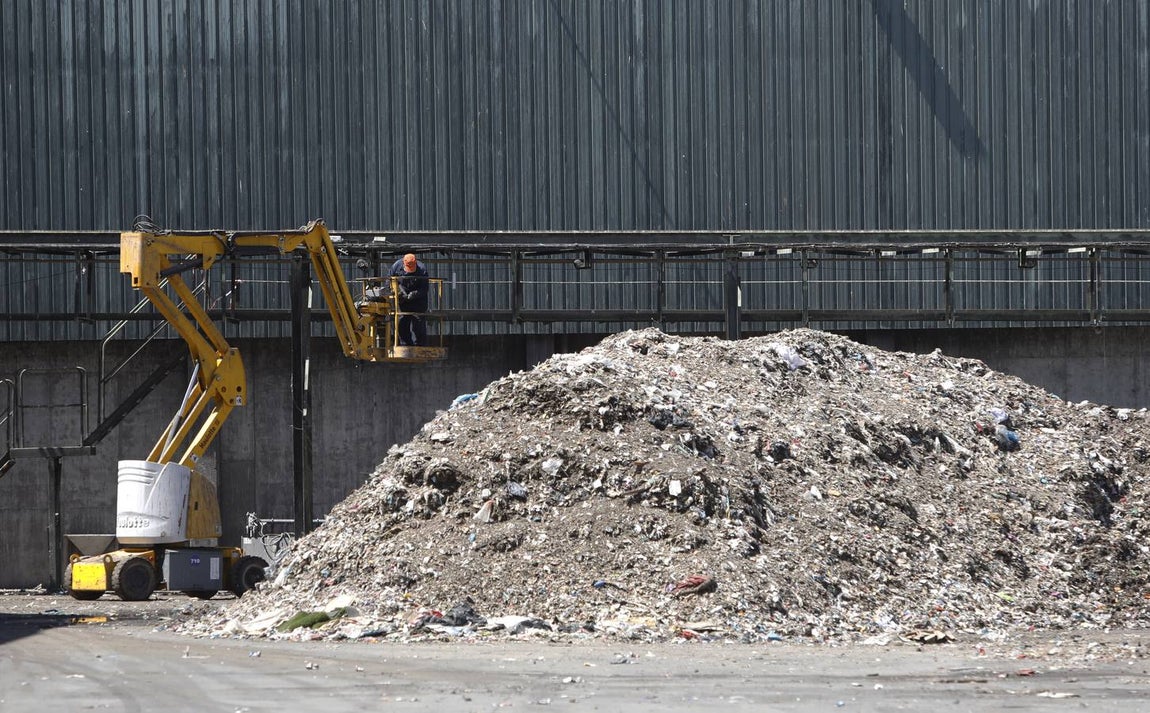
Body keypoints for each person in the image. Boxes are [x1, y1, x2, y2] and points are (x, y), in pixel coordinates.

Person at [388, 253, 429, 346]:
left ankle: (420, 346)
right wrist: (397, 292)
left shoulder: (422, 270)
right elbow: (389, 281)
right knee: (402, 323)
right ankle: (406, 345)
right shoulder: (396, 267)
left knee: (418, 325)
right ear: (403, 263)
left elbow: (424, 289)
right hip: (402, 300)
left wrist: (414, 294)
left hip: (418, 301)